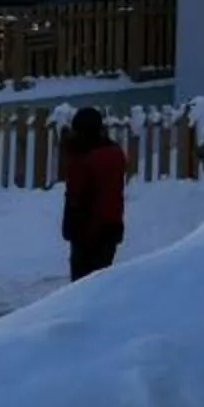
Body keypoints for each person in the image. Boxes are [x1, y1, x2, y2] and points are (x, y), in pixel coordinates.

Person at [61, 106, 129, 281]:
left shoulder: (83, 159)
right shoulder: (115, 153)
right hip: (112, 226)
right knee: (101, 279)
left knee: (81, 283)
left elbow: (76, 196)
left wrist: (70, 228)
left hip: (87, 229)